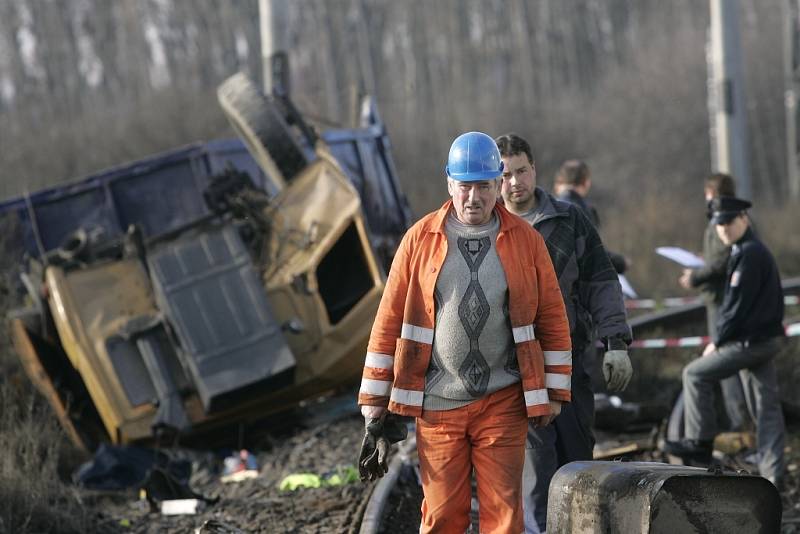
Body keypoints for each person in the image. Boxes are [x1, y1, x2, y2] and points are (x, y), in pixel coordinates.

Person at [357, 131, 573, 533]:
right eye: (465, 187)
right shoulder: (419, 240)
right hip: (438, 404)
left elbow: (552, 317)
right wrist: (374, 399)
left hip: (502, 401)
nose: (474, 198)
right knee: (441, 516)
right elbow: (387, 322)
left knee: (505, 518)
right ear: (449, 184)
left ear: (499, 185)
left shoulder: (526, 242)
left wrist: (556, 390)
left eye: (484, 187)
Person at [495, 134, 632, 534]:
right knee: (536, 468)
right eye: (504, 175)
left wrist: (616, 342)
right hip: (515, 366)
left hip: (571, 359)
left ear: (535, 170)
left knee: (578, 461)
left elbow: (600, 280)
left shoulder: (569, 220)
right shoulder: (487, 226)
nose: (514, 182)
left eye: (521, 171)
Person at [664, 197, 786, 488]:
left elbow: (736, 307)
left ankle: (700, 442)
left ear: (744, 218)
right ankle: (773, 476)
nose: (724, 229)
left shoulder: (750, 253)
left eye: (729, 222)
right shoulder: (743, 251)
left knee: (694, 373)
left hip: (752, 342)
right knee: (765, 408)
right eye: (719, 224)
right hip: (759, 341)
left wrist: (717, 341)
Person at [677, 173, 748, 432]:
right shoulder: (733, 220)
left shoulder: (726, 219)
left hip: (721, 301)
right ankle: (739, 424)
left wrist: (696, 275)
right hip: (718, 299)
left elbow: (724, 261)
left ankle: (740, 426)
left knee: (725, 363)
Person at [553, 159, 629, 274]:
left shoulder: (547, 207)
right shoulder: (582, 210)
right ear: (586, 182)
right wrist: (619, 263)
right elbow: (590, 252)